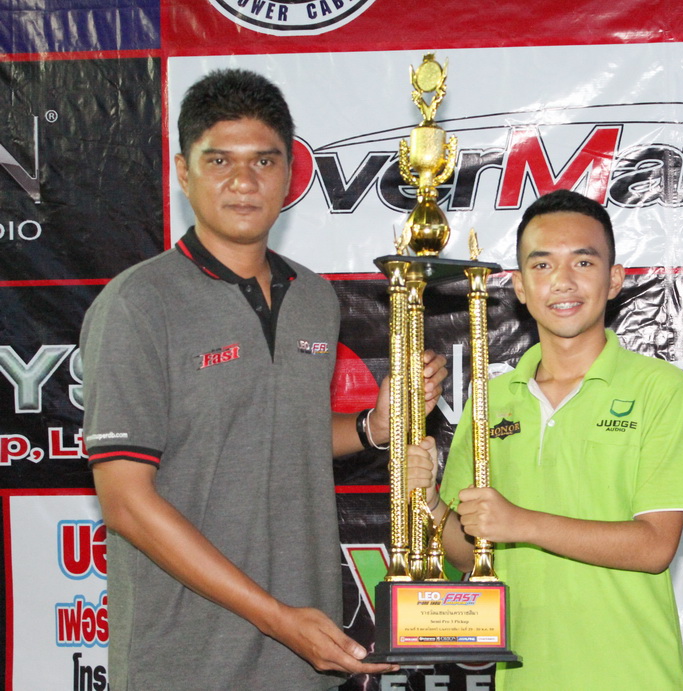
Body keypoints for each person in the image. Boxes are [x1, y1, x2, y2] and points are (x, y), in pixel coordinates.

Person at [80, 69, 443, 690]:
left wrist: (372, 427)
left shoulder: (314, 298)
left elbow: (277, 434)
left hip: (302, 657)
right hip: (185, 663)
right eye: (219, 160)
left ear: (290, 175)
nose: (244, 182)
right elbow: (126, 503)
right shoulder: (139, 303)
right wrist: (277, 618)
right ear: (183, 172)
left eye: (264, 161)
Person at [423, 189, 683, 690]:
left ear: (614, 279)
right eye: (543, 265)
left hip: (634, 677)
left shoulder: (659, 388)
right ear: (520, 286)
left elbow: (654, 547)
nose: (563, 281)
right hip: (524, 678)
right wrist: (428, 501)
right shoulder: (491, 398)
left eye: (583, 261)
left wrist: (521, 522)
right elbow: (469, 553)